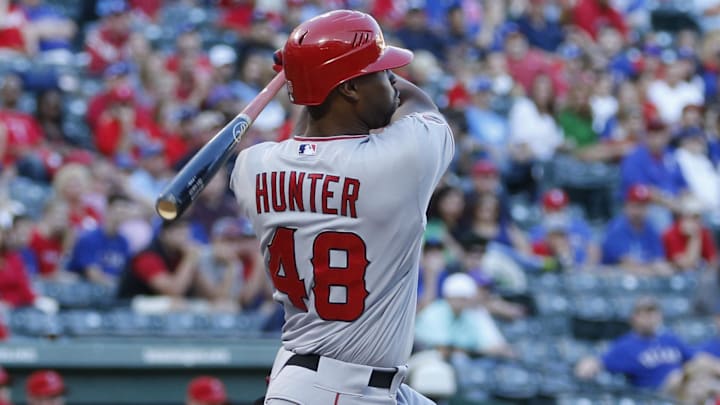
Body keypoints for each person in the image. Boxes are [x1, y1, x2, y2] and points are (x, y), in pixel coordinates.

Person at [229, 10, 453, 405]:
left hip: (309, 382)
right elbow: (421, 105)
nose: (392, 83)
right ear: (349, 89)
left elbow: (309, 138)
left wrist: (310, 76)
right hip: (336, 389)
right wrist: (313, 71)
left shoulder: (252, 166)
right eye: (382, 73)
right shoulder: (399, 162)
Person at [575, 297, 720, 400]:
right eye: (643, 312)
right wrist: (586, 364)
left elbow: (696, 358)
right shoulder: (626, 345)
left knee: (701, 375)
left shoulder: (669, 338)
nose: (649, 317)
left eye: (652, 312)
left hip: (685, 384)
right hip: (655, 393)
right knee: (684, 379)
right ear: (634, 317)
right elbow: (597, 363)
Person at [66, 194, 134, 285]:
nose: (121, 215)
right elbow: (93, 275)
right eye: (119, 211)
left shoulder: (124, 242)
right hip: (85, 289)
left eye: (125, 211)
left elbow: (124, 273)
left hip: (111, 291)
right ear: (108, 209)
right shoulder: (89, 238)